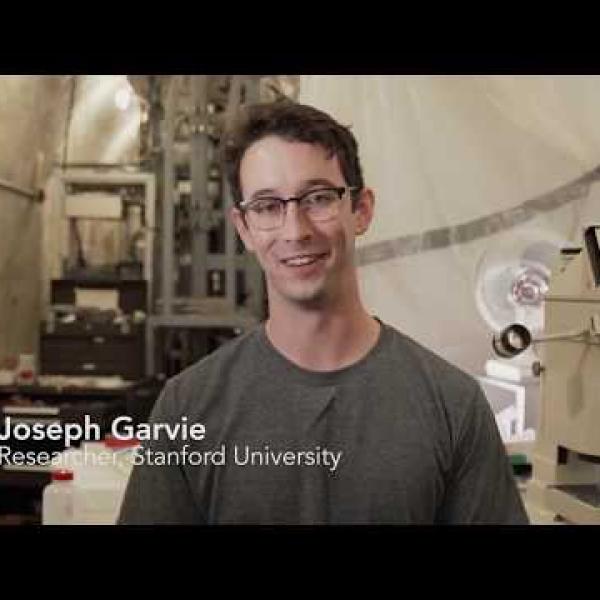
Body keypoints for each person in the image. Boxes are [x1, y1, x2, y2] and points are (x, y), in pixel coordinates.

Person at [118, 101, 529, 524]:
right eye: (267, 206)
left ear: (361, 210)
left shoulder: (453, 407)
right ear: (244, 228)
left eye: (317, 199)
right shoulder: (187, 409)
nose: (295, 231)